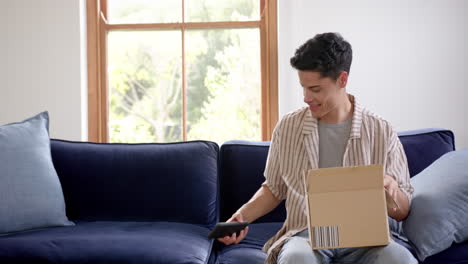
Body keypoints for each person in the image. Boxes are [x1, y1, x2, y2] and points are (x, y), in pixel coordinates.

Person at [218, 32, 417, 263]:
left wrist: (391, 188)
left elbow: (402, 211)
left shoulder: (381, 131)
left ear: (342, 80)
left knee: (400, 259)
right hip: (306, 236)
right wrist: (240, 217)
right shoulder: (288, 127)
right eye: (303, 87)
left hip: (368, 241)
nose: (306, 97)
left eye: (315, 89)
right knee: (296, 258)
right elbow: (273, 189)